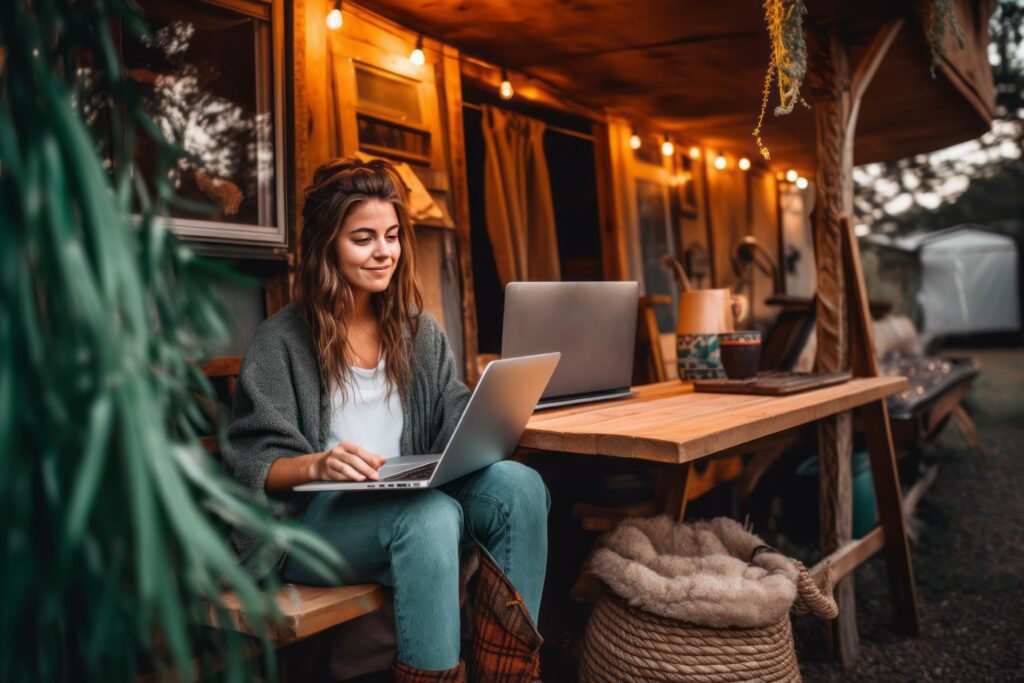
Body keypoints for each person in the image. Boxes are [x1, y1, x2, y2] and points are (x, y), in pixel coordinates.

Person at [222, 157, 549, 682]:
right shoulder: (281, 339)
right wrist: (318, 465)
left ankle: (508, 676)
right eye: (364, 238)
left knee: (520, 485)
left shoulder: (418, 331)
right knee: (430, 516)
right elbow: (254, 462)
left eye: (392, 236)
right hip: (316, 521)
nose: (384, 252)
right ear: (327, 244)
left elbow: (452, 411)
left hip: (406, 490)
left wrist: (490, 415)